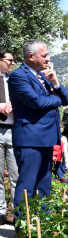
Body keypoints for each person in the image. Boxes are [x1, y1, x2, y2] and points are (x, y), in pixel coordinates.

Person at [8, 39, 68, 216]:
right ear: (30, 56)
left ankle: (42, 223)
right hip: (30, 140)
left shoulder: (44, 76)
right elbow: (36, 102)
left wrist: (56, 83)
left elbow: (65, 100)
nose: (48, 59)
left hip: (47, 139)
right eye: (44, 56)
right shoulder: (18, 76)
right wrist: (56, 100)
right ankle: (23, 226)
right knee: (27, 185)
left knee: (44, 184)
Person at [0, 46, 18, 225]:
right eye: (9, 60)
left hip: (13, 130)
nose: (12, 63)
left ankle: (18, 213)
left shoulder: (14, 80)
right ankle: (1, 213)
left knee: (16, 175)